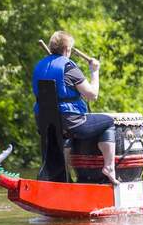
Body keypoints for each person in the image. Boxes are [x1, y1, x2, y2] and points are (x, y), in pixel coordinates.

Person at [32, 31, 119, 184]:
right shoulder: (68, 67)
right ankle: (109, 167)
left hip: (45, 124)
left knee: (64, 134)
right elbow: (92, 95)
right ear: (67, 50)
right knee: (108, 122)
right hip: (71, 123)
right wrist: (94, 71)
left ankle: (64, 175)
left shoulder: (40, 66)